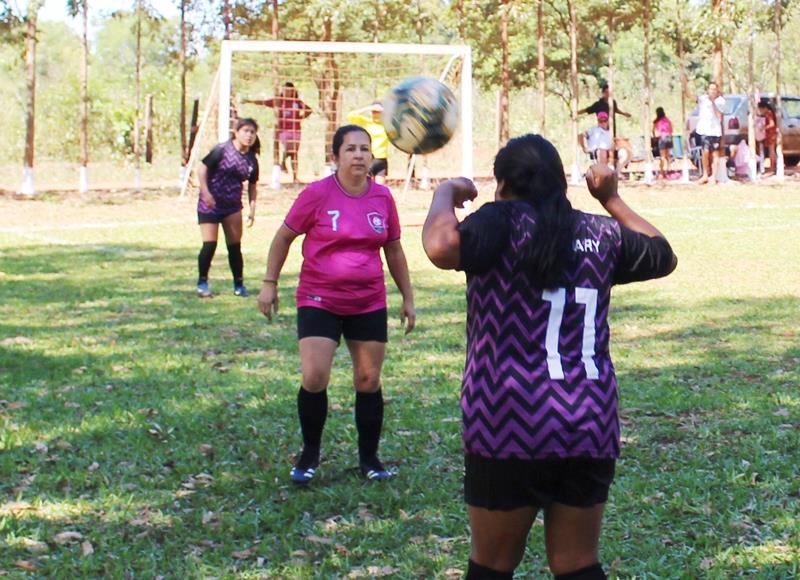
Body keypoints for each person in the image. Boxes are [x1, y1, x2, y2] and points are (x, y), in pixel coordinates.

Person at [421, 134, 677, 580]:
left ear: (502, 186)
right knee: (577, 564)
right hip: (588, 420)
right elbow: (662, 255)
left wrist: (445, 193)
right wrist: (612, 198)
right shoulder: (599, 233)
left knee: (492, 565)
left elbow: (440, 247)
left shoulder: (498, 222)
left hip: (507, 419)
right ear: (562, 184)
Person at [257, 124, 416, 484]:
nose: (359, 155)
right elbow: (283, 238)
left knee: (368, 379)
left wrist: (407, 297)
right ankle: (310, 453)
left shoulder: (382, 199)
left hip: (368, 300)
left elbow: (393, 248)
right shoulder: (316, 195)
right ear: (336, 156)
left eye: (365, 149)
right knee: (315, 377)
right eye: (351, 149)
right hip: (319, 298)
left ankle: (370, 460)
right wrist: (269, 283)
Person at [196, 117, 260, 298]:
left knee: (234, 246)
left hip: (232, 206)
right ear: (236, 132)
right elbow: (202, 169)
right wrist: (206, 193)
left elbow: (253, 186)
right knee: (209, 244)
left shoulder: (251, 159)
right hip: (210, 205)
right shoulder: (222, 150)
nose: (249, 135)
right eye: (245, 131)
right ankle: (202, 282)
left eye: (252, 132)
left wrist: (252, 209)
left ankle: (239, 285)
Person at [244, 82, 312, 184]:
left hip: (296, 129)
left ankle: (294, 176)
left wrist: (300, 118)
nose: (288, 93)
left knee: (294, 153)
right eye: (286, 91)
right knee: (290, 147)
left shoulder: (297, 102)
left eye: (290, 91)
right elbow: (263, 102)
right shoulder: (279, 101)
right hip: (283, 130)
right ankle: (283, 163)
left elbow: (309, 110)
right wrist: (250, 101)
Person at [347, 101, 390, 184]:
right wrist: (367, 108)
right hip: (367, 158)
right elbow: (350, 116)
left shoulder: (386, 124)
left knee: (379, 189)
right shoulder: (366, 122)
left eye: (378, 112)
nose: (376, 114)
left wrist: (385, 111)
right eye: (374, 112)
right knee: (365, 188)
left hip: (381, 159)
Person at [692, 81, 725, 185]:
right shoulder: (703, 99)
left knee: (715, 154)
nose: (712, 91)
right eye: (711, 89)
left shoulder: (721, 101)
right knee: (705, 152)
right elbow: (691, 96)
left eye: (714, 89)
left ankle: (713, 177)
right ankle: (705, 175)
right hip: (704, 131)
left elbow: (720, 116)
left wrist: (713, 103)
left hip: (715, 132)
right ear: (708, 90)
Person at [652, 107, 674, 178]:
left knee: (662, 156)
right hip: (669, 138)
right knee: (668, 155)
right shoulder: (667, 120)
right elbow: (671, 129)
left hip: (663, 138)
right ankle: (669, 169)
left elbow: (654, 132)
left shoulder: (656, 121)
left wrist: (655, 137)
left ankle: (661, 172)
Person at [758, 100, 777, 176]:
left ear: (764, 108)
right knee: (770, 151)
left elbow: (772, 124)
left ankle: (772, 167)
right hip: (769, 134)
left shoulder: (769, 113)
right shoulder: (767, 113)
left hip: (771, 134)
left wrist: (764, 128)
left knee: (771, 151)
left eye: (761, 109)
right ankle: (772, 167)